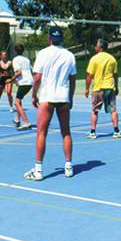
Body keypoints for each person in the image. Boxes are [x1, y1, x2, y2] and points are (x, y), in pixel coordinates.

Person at [24, 27, 77, 181]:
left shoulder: (42, 53)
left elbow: (38, 78)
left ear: (49, 38)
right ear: (62, 39)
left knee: (41, 133)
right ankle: (68, 167)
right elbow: (72, 80)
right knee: (66, 132)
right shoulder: (69, 55)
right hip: (63, 97)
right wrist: (70, 97)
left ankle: (38, 170)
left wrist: (34, 95)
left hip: (47, 97)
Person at [84, 38, 121, 139]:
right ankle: (116, 131)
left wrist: (87, 89)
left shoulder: (94, 59)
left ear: (100, 48)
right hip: (109, 87)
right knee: (113, 110)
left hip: (98, 88)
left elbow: (89, 75)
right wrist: (116, 87)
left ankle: (92, 132)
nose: (95, 47)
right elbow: (115, 75)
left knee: (94, 111)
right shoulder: (112, 59)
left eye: (96, 45)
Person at [11, 44, 33, 130]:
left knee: (16, 103)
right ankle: (17, 119)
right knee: (19, 100)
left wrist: (11, 80)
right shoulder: (27, 59)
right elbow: (32, 70)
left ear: (15, 51)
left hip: (24, 82)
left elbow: (18, 73)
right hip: (29, 81)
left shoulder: (15, 60)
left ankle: (26, 122)